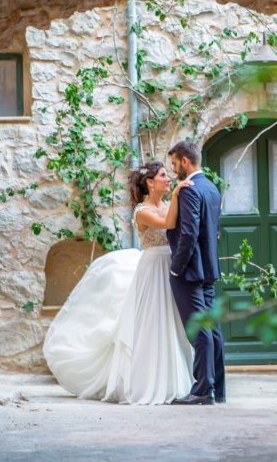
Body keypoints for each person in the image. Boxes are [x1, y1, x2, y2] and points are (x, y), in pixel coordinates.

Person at [43, 161, 195, 404]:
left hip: (170, 268)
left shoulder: (167, 204)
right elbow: (169, 224)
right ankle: (146, 383)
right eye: (164, 175)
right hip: (152, 268)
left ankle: (173, 381)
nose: (169, 179)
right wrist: (178, 193)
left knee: (169, 322)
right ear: (149, 182)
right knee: (151, 323)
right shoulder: (142, 211)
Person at [166, 140, 225, 405]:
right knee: (211, 329)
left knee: (199, 330)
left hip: (190, 271)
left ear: (185, 161)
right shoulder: (211, 187)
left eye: (175, 163)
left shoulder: (189, 190)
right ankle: (217, 389)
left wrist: (176, 268)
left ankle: (202, 390)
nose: (173, 168)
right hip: (209, 269)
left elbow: (188, 234)